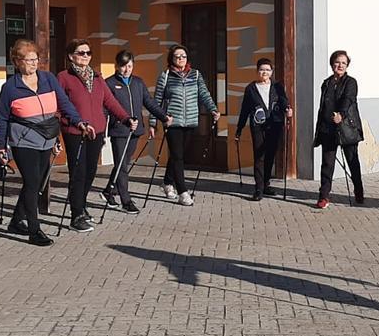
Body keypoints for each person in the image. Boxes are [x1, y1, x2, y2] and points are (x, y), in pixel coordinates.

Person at [0, 39, 85, 246]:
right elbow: (2, 119)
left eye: (36, 59)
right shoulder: (10, 87)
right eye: (29, 60)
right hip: (23, 140)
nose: (34, 63)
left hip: (47, 138)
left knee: (36, 183)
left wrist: (78, 121)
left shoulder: (48, 79)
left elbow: (64, 102)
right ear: (18, 61)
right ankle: (34, 231)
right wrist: (1, 146)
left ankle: (16, 221)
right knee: (33, 182)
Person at [58, 39, 133, 232]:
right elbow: (59, 105)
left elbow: (110, 101)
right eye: (81, 52)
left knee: (90, 172)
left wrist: (125, 118)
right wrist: (72, 122)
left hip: (96, 131)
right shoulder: (64, 77)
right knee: (78, 173)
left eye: (88, 53)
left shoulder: (97, 77)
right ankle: (76, 216)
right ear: (71, 56)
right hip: (75, 132)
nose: (85, 56)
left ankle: (82, 207)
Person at [104, 50, 171, 214]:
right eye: (123, 66)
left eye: (129, 66)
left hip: (136, 130)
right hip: (119, 130)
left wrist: (163, 117)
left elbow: (149, 102)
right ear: (116, 66)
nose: (126, 70)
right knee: (122, 166)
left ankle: (108, 191)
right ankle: (126, 200)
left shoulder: (138, 83)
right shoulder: (109, 83)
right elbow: (104, 109)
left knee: (123, 164)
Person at [153, 45, 219, 207]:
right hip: (172, 122)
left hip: (190, 121)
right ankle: (183, 192)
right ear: (172, 59)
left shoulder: (195, 75)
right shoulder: (166, 76)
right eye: (177, 57)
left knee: (179, 155)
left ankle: (167, 182)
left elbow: (204, 93)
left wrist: (213, 109)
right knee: (178, 156)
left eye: (183, 56)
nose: (181, 59)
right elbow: (156, 101)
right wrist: (153, 123)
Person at [235, 58, 292, 201]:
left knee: (270, 155)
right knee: (259, 156)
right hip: (257, 126)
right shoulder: (251, 88)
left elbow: (284, 100)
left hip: (274, 124)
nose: (264, 72)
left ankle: (266, 184)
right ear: (257, 71)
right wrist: (240, 128)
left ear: (271, 72)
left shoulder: (278, 86)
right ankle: (258, 188)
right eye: (262, 69)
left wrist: (287, 109)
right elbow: (245, 109)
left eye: (267, 70)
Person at [315, 50, 365, 209]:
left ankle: (358, 190)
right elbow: (322, 107)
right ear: (332, 64)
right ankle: (324, 196)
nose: (340, 65)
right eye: (337, 62)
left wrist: (341, 115)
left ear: (347, 65)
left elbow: (348, 99)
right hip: (328, 128)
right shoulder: (327, 83)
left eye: (343, 63)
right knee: (327, 164)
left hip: (346, 127)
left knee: (352, 162)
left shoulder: (351, 82)